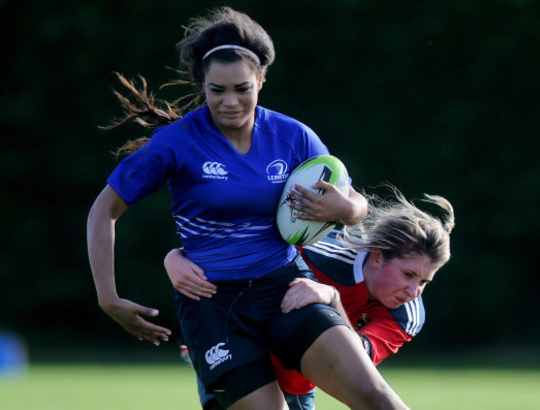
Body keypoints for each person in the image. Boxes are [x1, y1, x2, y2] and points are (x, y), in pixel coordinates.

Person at [87, 7, 408, 410]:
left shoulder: (292, 136)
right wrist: (108, 298)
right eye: (216, 90)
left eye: (242, 88)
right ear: (201, 85)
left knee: (377, 398)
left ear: (261, 80)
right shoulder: (177, 142)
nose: (230, 102)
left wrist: (346, 208)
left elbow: (356, 203)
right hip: (214, 305)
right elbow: (103, 211)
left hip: (286, 288)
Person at [167, 185, 455, 409]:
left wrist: (332, 298)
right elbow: (234, 245)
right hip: (236, 358)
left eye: (424, 282)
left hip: (296, 384)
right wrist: (175, 257)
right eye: (409, 275)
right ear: (377, 258)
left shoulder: (407, 315)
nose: (414, 291)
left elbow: (357, 362)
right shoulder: (314, 249)